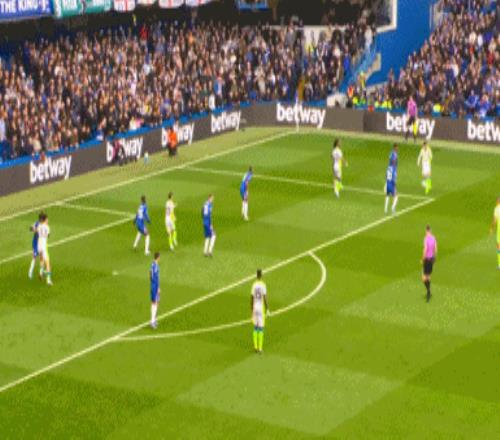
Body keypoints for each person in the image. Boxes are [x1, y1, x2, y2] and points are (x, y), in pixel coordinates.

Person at [251, 269, 269, 353]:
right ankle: (260, 348)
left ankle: (255, 347)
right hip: (261, 308)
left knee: (255, 327)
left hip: (255, 307)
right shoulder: (263, 285)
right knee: (261, 328)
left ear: (256, 275)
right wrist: (267, 308)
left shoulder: (254, 285)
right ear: (261, 275)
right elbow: (265, 298)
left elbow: (251, 297)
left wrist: (251, 309)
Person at [422, 225, 437, 302]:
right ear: (430, 230)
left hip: (427, 259)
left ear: (426, 231)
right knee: (428, 276)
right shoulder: (434, 238)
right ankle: (429, 292)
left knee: (424, 278)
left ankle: (428, 292)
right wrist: (434, 257)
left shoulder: (426, 239)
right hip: (431, 259)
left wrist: (423, 259)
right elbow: (436, 249)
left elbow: (425, 249)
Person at [37, 213, 52, 286]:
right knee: (48, 263)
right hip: (43, 246)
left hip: (39, 246)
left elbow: (37, 231)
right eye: (47, 219)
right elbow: (48, 235)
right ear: (45, 219)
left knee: (41, 259)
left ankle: (41, 272)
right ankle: (48, 280)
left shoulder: (39, 226)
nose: (48, 220)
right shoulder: (47, 227)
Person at [384, 145, 399, 213]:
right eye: (395, 160)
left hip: (387, 183)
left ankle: (385, 209)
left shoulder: (388, 167)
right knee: (396, 196)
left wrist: (386, 183)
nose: (395, 161)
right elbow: (394, 179)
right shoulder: (394, 169)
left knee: (387, 195)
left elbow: (385, 176)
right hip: (391, 184)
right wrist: (394, 186)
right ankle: (393, 208)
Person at [28, 212, 43, 279]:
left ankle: (41, 273)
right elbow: (30, 228)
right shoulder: (36, 223)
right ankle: (30, 272)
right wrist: (34, 229)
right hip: (35, 243)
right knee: (34, 257)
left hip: (41, 243)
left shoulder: (44, 225)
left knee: (41, 257)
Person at [150, 252, 161, 329]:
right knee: (155, 303)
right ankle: (152, 321)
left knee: (156, 302)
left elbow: (150, 274)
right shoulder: (156, 266)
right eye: (159, 257)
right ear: (158, 257)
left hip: (153, 285)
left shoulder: (152, 264)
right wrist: (158, 287)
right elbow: (156, 278)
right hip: (155, 286)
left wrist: (152, 283)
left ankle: (154, 319)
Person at [490, 197, 500, 269]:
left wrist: (492, 228)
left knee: (499, 246)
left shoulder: (497, 209)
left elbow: (494, 220)